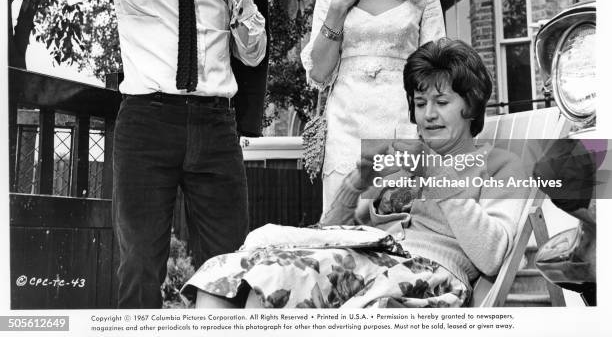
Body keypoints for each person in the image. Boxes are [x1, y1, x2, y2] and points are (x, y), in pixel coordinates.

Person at [8, 0, 267, 308]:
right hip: (147, 125)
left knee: (228, 266)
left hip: (215, 128)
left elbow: (253, 53)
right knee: (139, 263)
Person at [185, 39, 529, 308]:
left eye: (441, 102)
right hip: (372, 258)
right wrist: (356, 183)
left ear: (470, 103)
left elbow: (493, 254)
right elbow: (334, 228)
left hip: (426, 279)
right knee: (222, 275)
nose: (428, 115)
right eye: (420, 103)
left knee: (272, 282)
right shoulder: (408, 162)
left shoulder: (502, 165)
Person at [300, 0, 445, 215]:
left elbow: (436, 79)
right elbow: (319, 72)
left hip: (400, 128)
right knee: (339, 235)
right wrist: (337, 12)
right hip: (344, 128)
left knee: (394, 233)